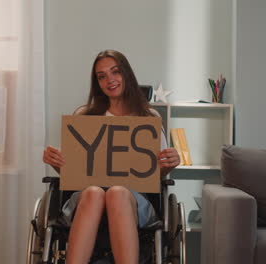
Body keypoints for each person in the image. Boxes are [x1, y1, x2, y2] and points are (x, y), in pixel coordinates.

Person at [42, 50, 180, 264]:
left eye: (115, 72)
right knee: (95, 192)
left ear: (126, 74)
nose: (110, 80)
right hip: (87, 196)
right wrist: (56, 162)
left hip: (134, 198)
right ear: (97, 83)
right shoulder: (84, 116)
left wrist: (169, 165)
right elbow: (72, 173)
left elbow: (156, 175)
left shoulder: (148, 118)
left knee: (116, 192)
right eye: (102, 76)